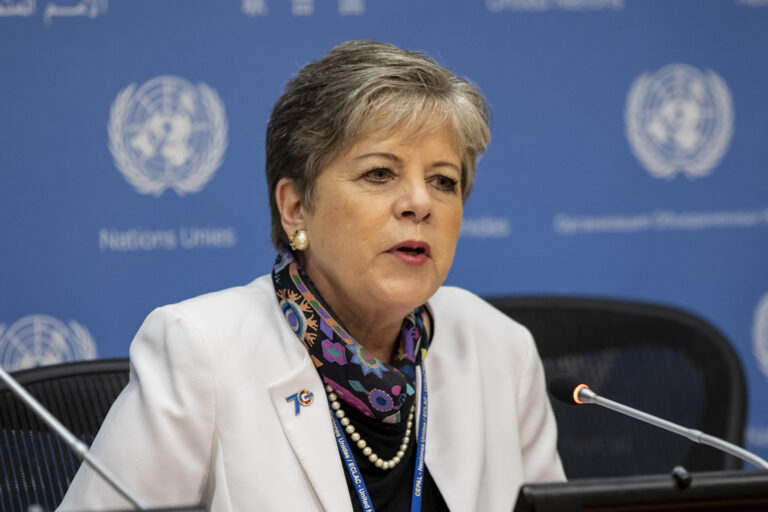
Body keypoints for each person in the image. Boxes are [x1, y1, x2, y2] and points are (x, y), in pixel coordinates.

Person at [59, 40, 565, 512]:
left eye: (443, 181)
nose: (419, 203)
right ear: (296, 207)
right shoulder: (201, 352)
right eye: (380, 174)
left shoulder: (500, 348)